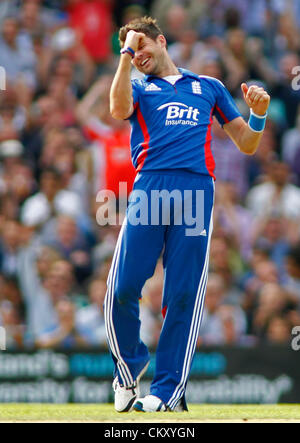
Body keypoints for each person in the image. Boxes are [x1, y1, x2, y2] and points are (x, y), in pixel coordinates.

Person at [105, 16, 270, 413]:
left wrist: (259, 115)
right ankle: (128, 372)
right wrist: (126, 57)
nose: (137, 54)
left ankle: (167, 392)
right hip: (149, 187)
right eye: (129, 48)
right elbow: (116, 108)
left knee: (183, 294)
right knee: (123, 288)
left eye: (142, 45)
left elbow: (246, 143)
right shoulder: (138, 87)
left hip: (197, 191)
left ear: (162, 41)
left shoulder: (208, 87)